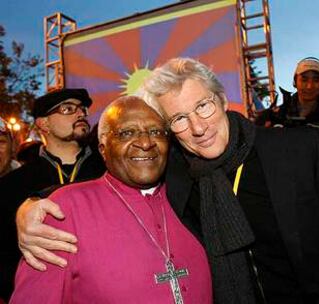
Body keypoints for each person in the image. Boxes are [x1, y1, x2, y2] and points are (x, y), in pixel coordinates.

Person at [16, 58, 319, 304]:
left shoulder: (294, 150)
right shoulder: (176, 170)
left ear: (222, 100)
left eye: (203, 106)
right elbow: (112, 170)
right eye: (179, 119)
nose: (199, 128)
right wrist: (30, 207)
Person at [10, 96, 212, 303]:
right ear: (103, 148)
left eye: (155, 132)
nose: (145, 143)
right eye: (127, 133)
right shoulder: (65, 209)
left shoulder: (192, 193)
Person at [0, 88, 105, 301]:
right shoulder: (12, 185)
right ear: (43, 124)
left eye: (82, 109)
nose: (81, 114)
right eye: (68, 109)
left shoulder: (109, 170)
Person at [261, 57, 319, 167]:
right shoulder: (277, 115)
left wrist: (309, 153)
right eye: (304, 79)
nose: (309, 86)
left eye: (316, 80)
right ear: (295, 82)